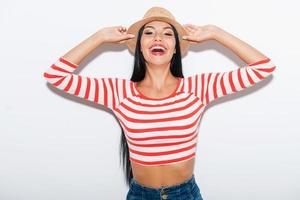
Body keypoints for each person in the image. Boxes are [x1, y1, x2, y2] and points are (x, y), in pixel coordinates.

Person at [43, 6, 276, 200]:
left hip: (185, 195)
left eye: (167, 34)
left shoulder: (198, 88)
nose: (157, 38)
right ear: (140, 46)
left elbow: (263, 67)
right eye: (149, 33)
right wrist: (99, 37)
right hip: (140, 195)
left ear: (176, 47)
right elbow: (56, 76)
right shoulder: (118, 92)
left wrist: (216, 32)